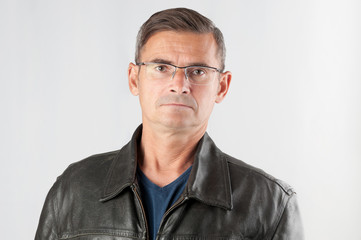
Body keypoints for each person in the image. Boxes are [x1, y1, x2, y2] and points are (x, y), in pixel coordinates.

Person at [35, 8, 304, 240]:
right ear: (133, 78)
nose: (179, 85)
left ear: (222, 86)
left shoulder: (271, 204)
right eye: (161, 68)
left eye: (198, 71)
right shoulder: (73, 188)